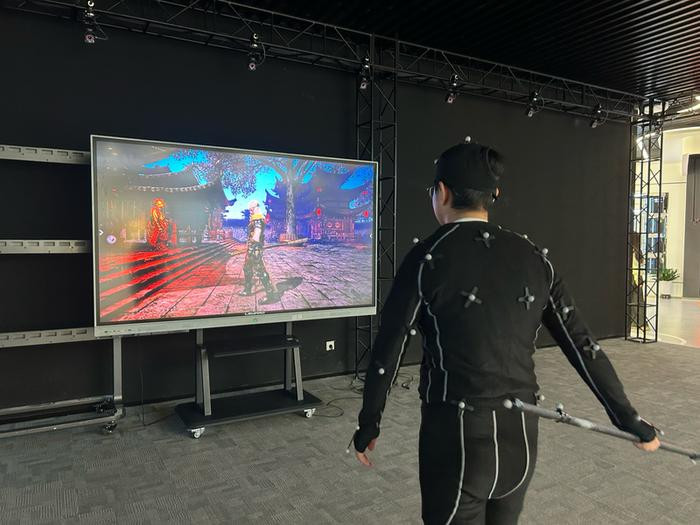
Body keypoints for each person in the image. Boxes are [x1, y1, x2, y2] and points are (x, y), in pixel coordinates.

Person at [352, 138, 660, 525]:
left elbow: (389, 350)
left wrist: (369, 423)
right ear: (492, 195)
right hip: (521, 438)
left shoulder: (426, 258)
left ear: (442, 192)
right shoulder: (534, 257)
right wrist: (629, 419)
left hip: (456, 441)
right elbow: (584, 346)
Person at [239, 200, 278, 303]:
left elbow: (257, 234)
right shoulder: (255, 218)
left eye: (251, 209)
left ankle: (270, 295)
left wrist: (254, 241)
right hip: (251, 248)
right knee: (247, 268)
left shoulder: (257, 218)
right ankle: (247, 290)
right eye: (249, 210)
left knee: (260, 270)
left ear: (256, 208)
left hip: (255, 249)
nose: (250, 211)